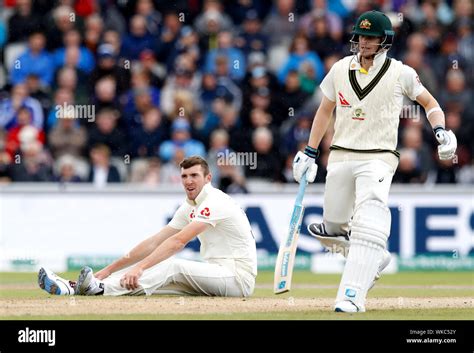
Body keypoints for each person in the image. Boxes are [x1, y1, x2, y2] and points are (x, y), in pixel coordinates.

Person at [292, 11, 457, 313]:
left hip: (379, 157)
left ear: (385, 40)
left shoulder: (401, 72)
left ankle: (352, 296)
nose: (364, 42)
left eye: (370, 37)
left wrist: (441, 131)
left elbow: (430, 103)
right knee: (332, 228)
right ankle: (375, 258)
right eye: (361, 36)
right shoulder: (341, 68)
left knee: (369, 216)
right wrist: (310, 151)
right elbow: (323, 112)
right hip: (341, 154)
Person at [38, 156, 257, 298]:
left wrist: (140, 267)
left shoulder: (215, 202)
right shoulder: (189, 206)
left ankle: (96, 288)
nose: (188, 181)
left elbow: (178, 242)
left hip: (237, 279)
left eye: (194, 176)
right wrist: (108, 270)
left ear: (208, 178)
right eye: (184, 176)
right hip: (216, 274)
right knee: (151, 278)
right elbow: (155, 242)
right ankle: (82, 287)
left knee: (170, 266)